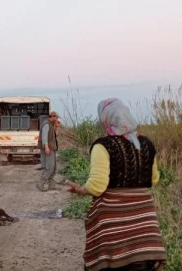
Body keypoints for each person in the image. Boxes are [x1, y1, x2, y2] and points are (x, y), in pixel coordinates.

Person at [65, 98, 167, 271]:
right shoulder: (146, 143)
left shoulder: (103, 146)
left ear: (105, 119)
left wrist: (80, 189)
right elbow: (154, 179)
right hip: (145, 228)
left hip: (114, 230)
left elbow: (97, 186)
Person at [36, 111, 61, 191]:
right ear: (52, 117)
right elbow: (44, 138)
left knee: (54, 168)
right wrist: (46, 147)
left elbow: (54, 136)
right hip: (48, 149)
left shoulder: (51, 125)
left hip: (51, 148)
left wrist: (57, 128)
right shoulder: (46, 124)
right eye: (56, 117)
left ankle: (51, 185)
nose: (57, 119)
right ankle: (40, 183)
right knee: (50, 167)